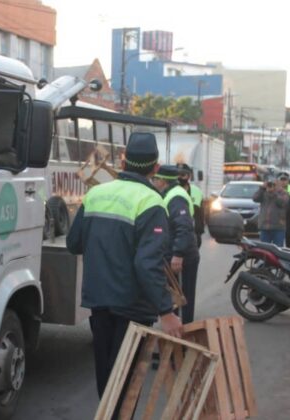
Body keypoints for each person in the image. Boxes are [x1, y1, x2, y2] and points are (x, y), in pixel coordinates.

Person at [66, 132, 183, 398]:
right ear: (155, 167)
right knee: (126, 385)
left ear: (122, 159)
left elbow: (74, 244)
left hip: (99, 301)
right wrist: (166, 311)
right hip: (133, 307)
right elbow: (147, 264)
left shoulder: (96, 193)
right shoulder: (151, 202)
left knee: (106, 381)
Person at [153, 165, 200, 324]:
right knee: (175, 298)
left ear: (163, 181)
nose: (153, 182)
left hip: (182, 256)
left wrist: (178, 254)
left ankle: (184, 336)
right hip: (176, 253)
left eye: (155, 179)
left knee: (182, 299)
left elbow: (183, 226)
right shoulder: (170, 194)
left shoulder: (176, 197)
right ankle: (177, 337)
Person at [252, 178, 289, 247]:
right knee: (264, 250)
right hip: (265, 227)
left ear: (278, 185)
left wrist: (275, 192)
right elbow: (255, 198)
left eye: (274, 184)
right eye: (270, 184)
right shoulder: (264, 192)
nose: (271, 186)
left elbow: (282, 203)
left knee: (278, 250)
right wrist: (262, 188)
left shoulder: (284, 193)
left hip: (278, 227)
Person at [177, 163, 204, 248]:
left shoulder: (196, 191)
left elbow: (200, 214)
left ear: (189, 176)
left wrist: (198, 233)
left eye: (182, 175)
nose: (179, 178)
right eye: (177, 175)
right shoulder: (170, 190)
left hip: (193, 234)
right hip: (176, 234)